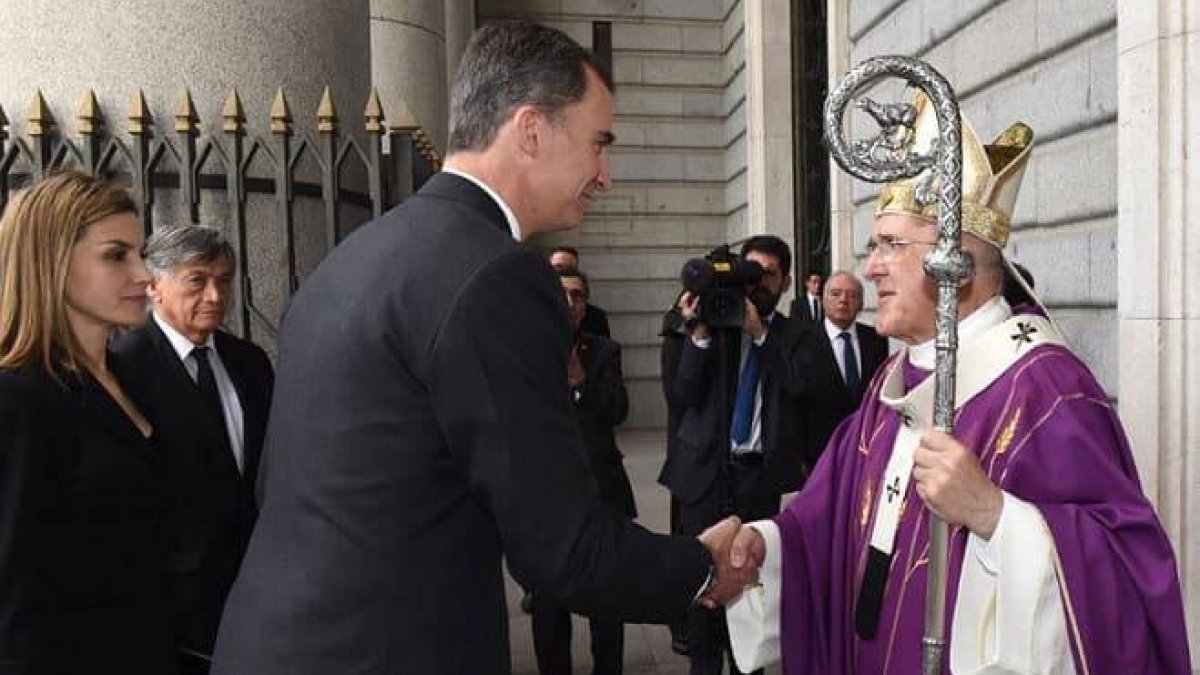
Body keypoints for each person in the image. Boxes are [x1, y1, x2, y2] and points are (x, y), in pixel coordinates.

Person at [211, 21, 751, 675]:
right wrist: (701, 565)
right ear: (531, 129)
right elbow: (560, 548)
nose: (605, 175)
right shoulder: (499, 275)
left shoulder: (350, 258)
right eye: (598, 143)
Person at [723, 93, 1192, 674]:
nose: (871, 267)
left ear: (958, 265)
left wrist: (997, 515)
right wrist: (766, 548)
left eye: (892, 244)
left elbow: (1128, 575)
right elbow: (833, 512)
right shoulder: (896, 378)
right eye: (875, 244)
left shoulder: (1047, 391)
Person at [0, 171, 177, 673]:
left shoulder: (134, 377)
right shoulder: (18, 397)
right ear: (51, 262)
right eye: (116, 255)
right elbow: (13, 603)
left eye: (140, 253)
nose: (145, 275)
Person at [110, 226, 274, 675]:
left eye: (223, 279)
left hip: (253, 589)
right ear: (156, 285)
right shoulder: (123, 367)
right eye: (197, 280)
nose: (215, 295)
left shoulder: (250, 362)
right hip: (170, 606)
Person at [661, 235, 806, 675]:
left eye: (769, 275)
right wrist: (700, 336)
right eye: (751, 272)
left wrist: (759, 334)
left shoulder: (794, 334)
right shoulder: (693, 321)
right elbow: (680, 396)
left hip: (756, 480)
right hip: (703, 478)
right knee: (700, 592)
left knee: (749, 595)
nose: (759, 283)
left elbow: (800, 387)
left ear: (785, 282)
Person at [530, 267, 635, 675]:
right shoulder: (524, 352)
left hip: (602, 495)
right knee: (548, 608)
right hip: (545, 500)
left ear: (586, 303)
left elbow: (617, 411)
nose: (570, 303)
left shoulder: (604, 351)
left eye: (577, 295)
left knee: (608, 606)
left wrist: (581, 383)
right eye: (562, 294)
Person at [793, 270, 889, 469]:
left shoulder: (876, 340)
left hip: (865, 453)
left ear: (861, 304)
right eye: (835, 294)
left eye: (852, 295)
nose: (843, 300)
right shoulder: (801, 341)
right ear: (823, 300)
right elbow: (795, 404)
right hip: (817, 456)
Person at [549, 245, 611, 337]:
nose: (563, 272)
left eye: (570, 268)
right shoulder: (535, 311)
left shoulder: (595, 317)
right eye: (558, 267)